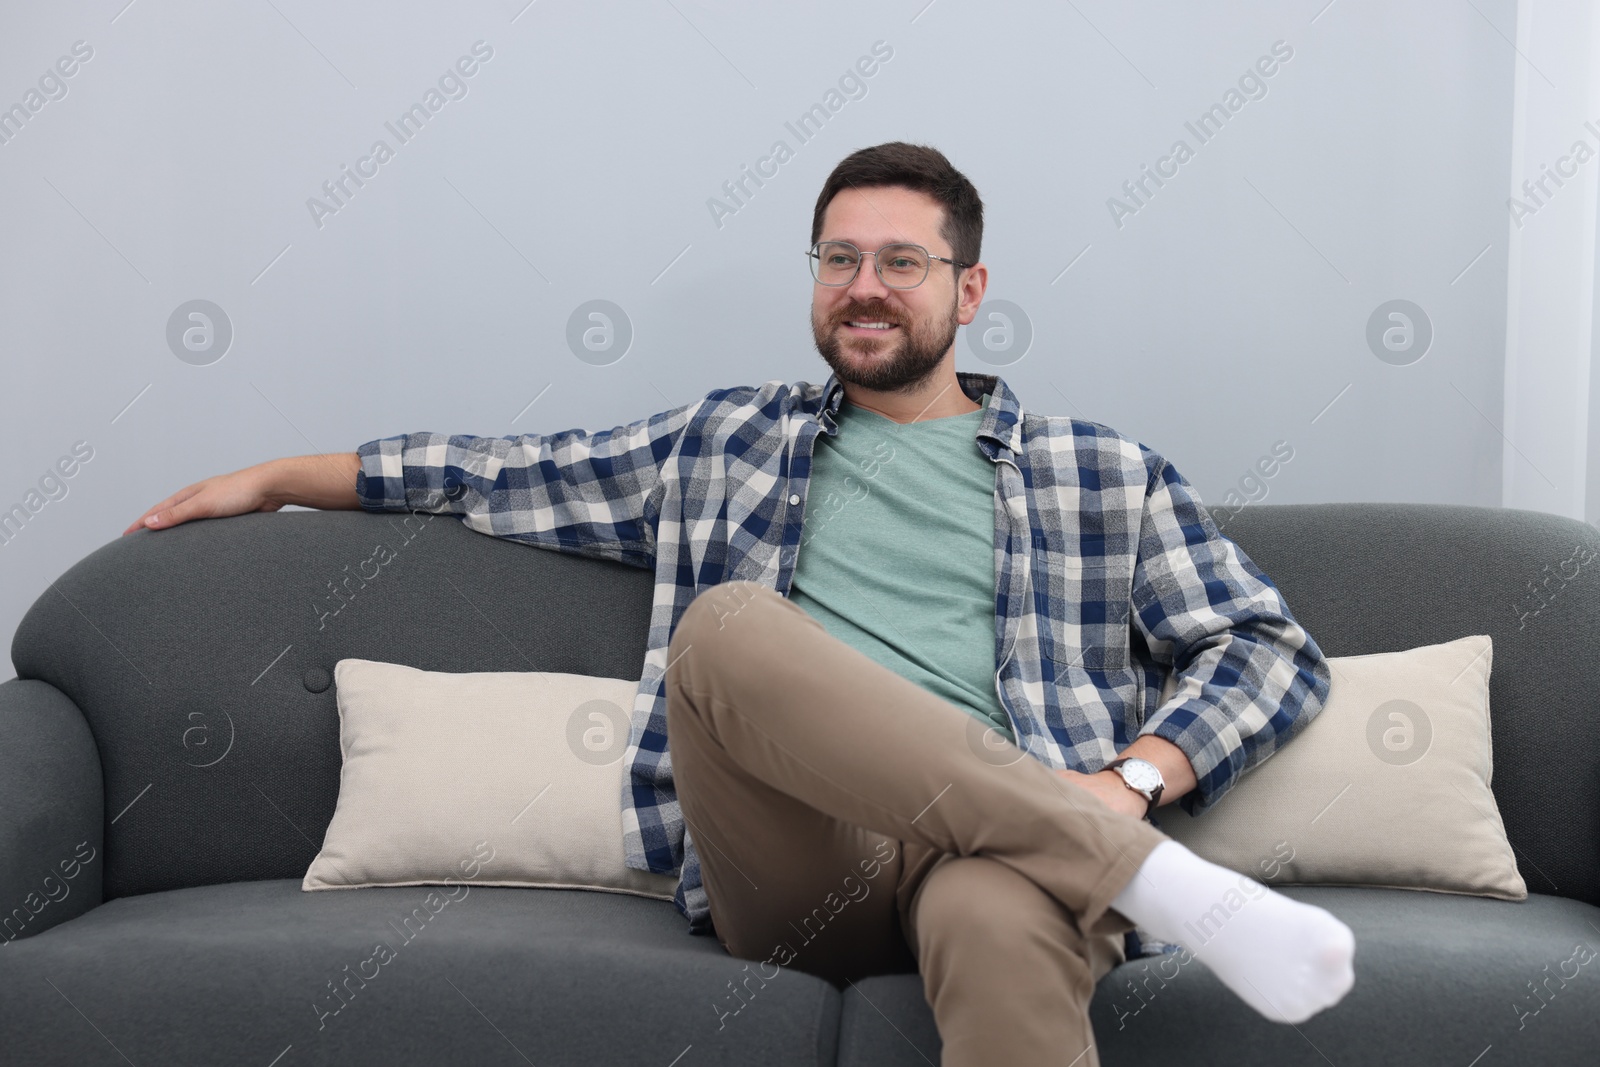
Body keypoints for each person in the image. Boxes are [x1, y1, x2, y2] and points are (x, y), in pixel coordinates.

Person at [126, 141, 1355, 1065]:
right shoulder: (724, 441)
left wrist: (1135, 777)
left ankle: (1102, 848)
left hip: (999, 845)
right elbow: (492, 470)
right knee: (725, 625)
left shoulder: (1102, 470)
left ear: (968, 290)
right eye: (838, 259)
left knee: (999, 913)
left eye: (901, 263)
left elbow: (1266, 648)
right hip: (797, 853)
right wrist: (278, 476)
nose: (863, 286)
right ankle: (1140, 877)